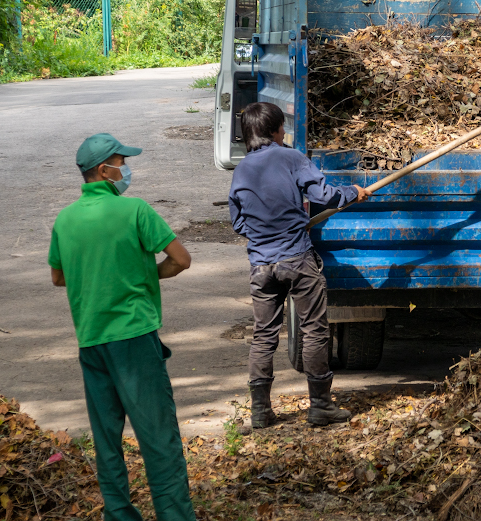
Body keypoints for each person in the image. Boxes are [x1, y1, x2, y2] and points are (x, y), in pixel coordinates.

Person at [48, 133, 196, 521]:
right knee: (158, 437)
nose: (125, 169)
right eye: (120, 162)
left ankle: (118, 515)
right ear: (103, 170)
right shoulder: (134, 211)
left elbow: (59, 278)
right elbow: (181, 259)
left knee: (107, 439)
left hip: (91, 341)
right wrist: (145, 275)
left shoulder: (64, 219)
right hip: (133, 339)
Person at [229, 102, 370, 430]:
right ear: (274, 131)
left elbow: (238, 223)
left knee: (263, 335)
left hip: (262, 267)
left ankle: (260, 412)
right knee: (314, 330)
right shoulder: (291, 157)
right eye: (281, 128)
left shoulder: (242, 170)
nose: (284, 133)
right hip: (297, 260)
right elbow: (324, 196)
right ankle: (320, 406)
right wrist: (354, 192)